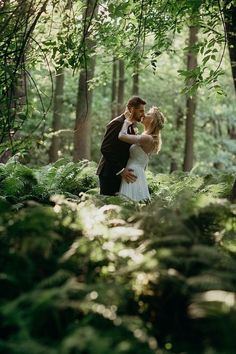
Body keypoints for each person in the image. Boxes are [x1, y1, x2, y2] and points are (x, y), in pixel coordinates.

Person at [96, 96, 146, 196]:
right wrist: (121, 170)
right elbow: (105, 148)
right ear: (131, 109)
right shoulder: (117, 123)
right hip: (109, 174)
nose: (143, 114)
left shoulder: (129, 125)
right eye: (141, 111)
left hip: (119, 175)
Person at [118, 106, 165, 202]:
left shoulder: (148, 139)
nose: (143, 114)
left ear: (152, 121)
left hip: (132, 174)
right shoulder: (146, 137)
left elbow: (122, 136)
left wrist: (127, 121)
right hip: (135, 173)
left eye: (148, 114)